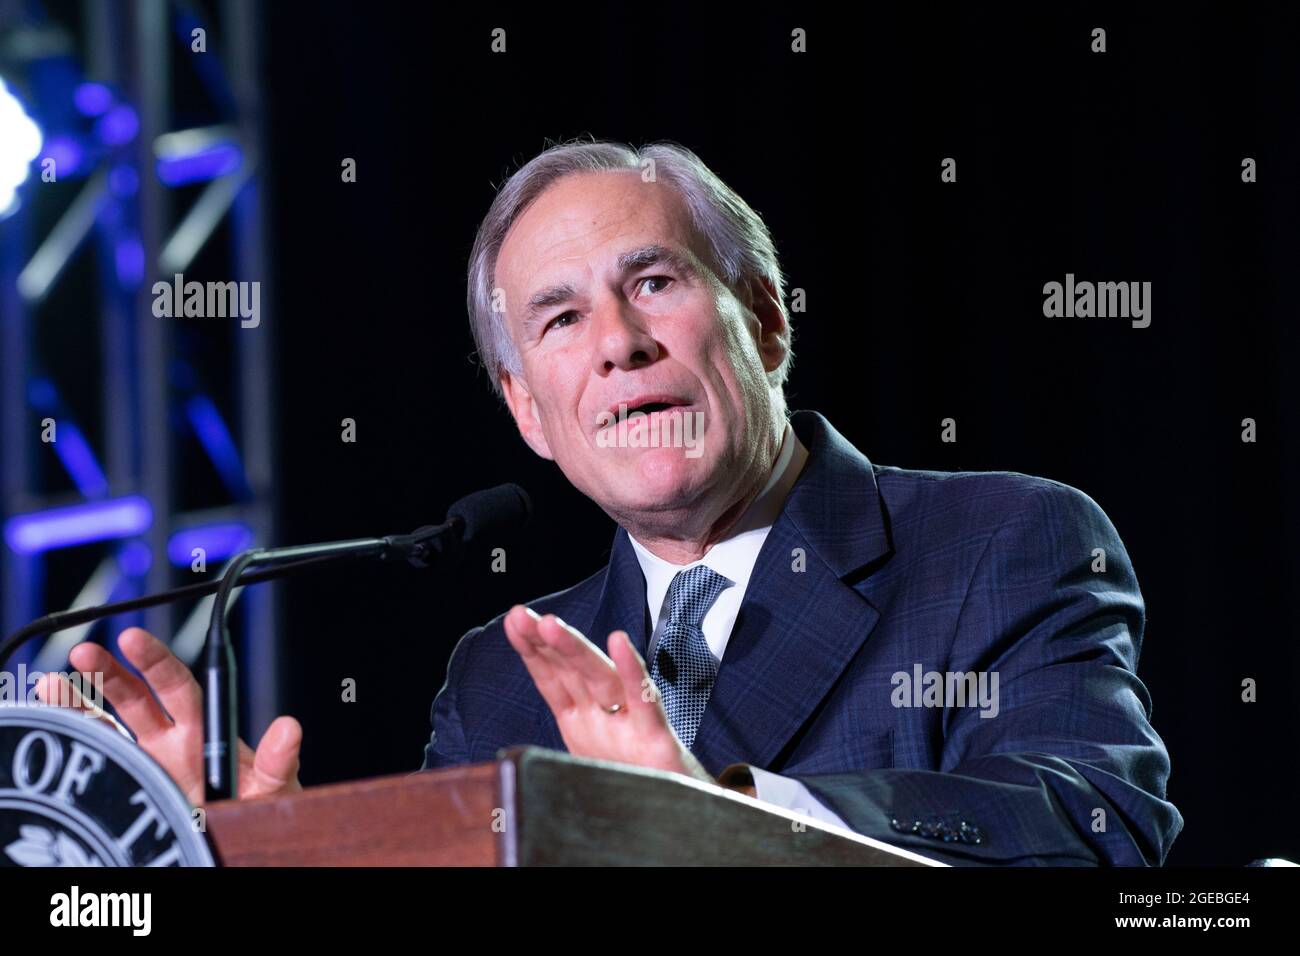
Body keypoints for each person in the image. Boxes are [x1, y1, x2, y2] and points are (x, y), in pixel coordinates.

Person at [39, 138, 1183, 866]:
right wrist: (247, 851)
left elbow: (1099, 827)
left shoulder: (1001, 540)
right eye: (559, 319)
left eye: (653, 282)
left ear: (767, 322)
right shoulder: (503, 670)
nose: (620, 346)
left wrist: (726, 816)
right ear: (531, 413)